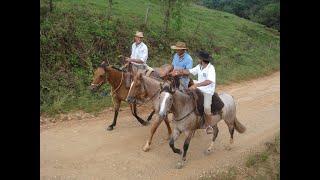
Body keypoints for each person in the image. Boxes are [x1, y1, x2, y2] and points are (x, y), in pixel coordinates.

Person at [171, 50, 216, 134]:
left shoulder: (211, 68)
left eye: (199, 58)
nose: (198, 59)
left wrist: (196, 85)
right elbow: (189, 71)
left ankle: (209, 126)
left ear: (202, 59)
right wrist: (179, 72)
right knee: (185, 96)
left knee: (206, 107)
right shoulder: (199, 66)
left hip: (208, 91)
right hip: (199, 88)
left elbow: (209, 81)